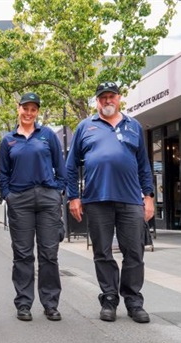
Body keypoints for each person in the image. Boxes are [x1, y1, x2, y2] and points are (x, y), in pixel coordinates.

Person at [66, 81, 155, 323]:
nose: (107, 101)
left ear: (119, 98)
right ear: (97, 101)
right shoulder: (85, 127)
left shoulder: (133, 126)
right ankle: (108, 298)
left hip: (130, 201)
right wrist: (73, 197)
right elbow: (71, 166)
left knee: (134, 252)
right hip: (96, 201)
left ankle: (134, 301)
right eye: (103, 97)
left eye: (111, 96)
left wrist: (149, 197)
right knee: (102, 253)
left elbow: (144, 166)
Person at [0, 92, 66, 322]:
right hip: (21, 201)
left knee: (49, 254)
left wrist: (57, 191)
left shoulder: (47, 135)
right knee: (23, 255)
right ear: (18, 109)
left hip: (47, 199)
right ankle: (24, 303)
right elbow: (3, 173)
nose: (29, 113)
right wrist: (9, 196)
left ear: (37, 112)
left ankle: (50, 304)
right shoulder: (8, 139)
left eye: (33, 109)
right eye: (25, 108)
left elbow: (61, 166)